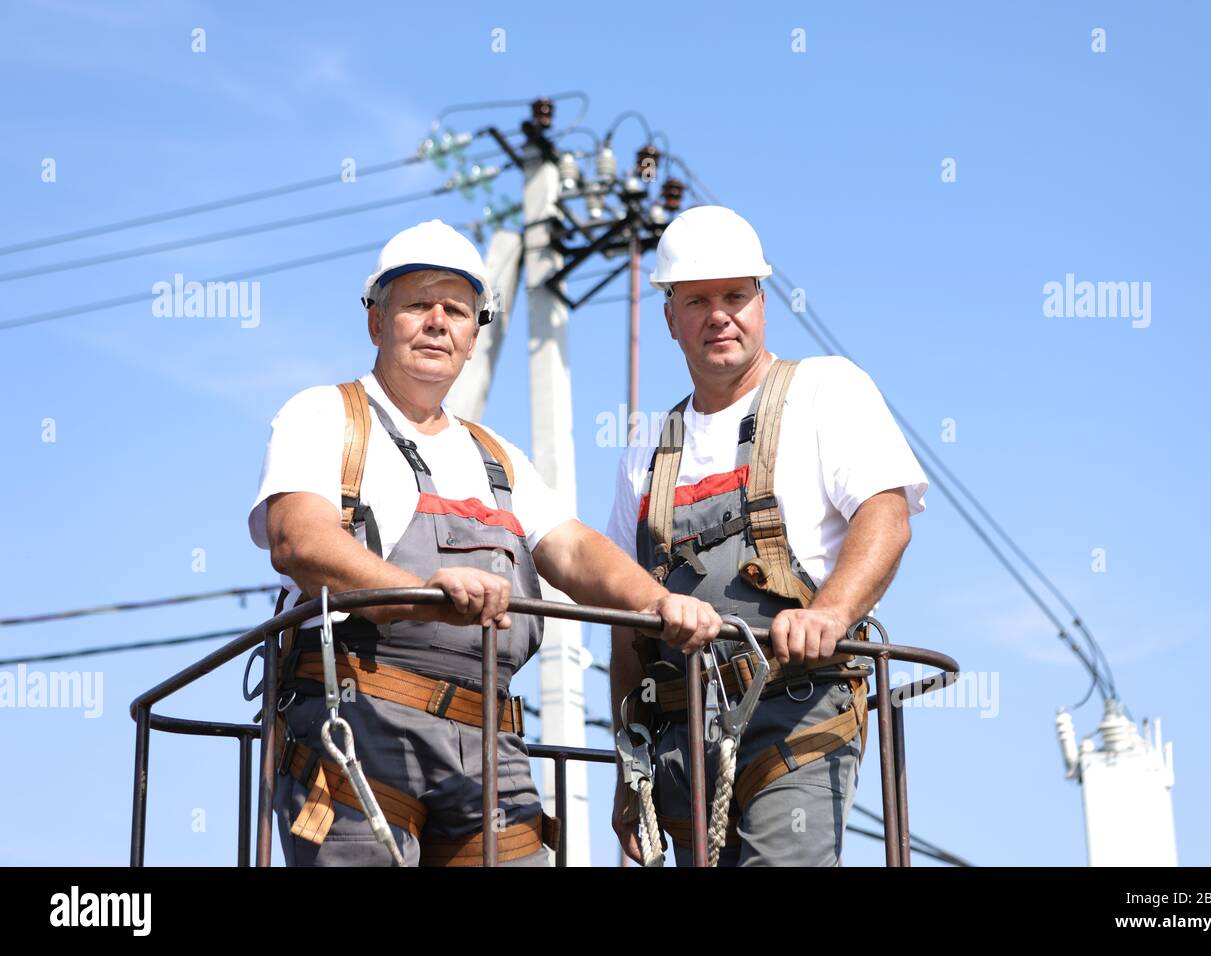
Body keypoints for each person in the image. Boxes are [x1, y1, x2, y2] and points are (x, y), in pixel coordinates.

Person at [249, 219, 721, 866]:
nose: (438, 323)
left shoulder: (498, 459)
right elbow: (298, 541)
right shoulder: (327, 417)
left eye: (457, 311)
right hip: (355, 723)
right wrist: (423, 593)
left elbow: (574, 550)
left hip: (488, 744)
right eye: (417, 305)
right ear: (376, 322)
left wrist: (659, 602)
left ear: (475, 335)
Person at [606, 206, 929, 866]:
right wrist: (626, 766)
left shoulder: (824, 390)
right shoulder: (647, 446)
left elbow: (886, 517)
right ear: (670, 318)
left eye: (735, 295)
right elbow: (625, 619)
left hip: (797, 710)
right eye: (697, 300)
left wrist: (831, 611)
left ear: (762, 301)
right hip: (681, 733)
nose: (719, 314)